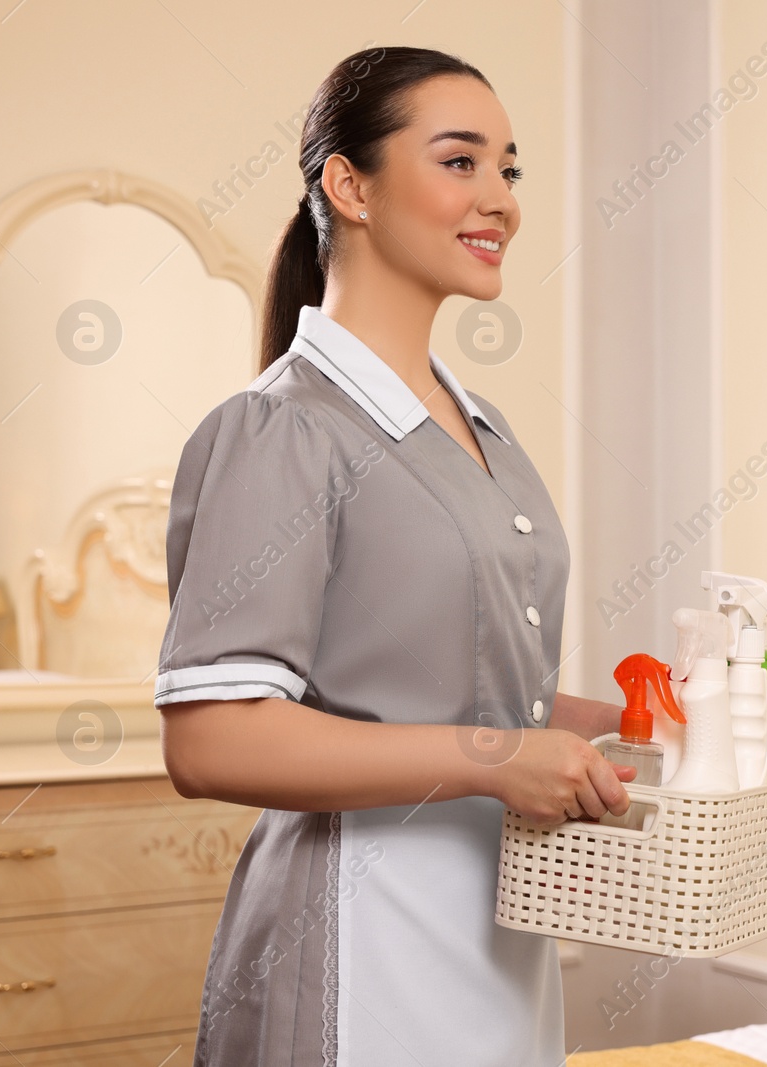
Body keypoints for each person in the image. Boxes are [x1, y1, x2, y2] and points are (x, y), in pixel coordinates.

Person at [154, 44, 637, 1066]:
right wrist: (500, 759)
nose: (499, 198)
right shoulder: (280, 431)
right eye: (460, 161)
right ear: (349, 184)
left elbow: (433, 682)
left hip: (501, 934)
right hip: (358, 942)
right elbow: (212, 741)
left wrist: (609, 720)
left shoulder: (482, 427)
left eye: (509, 169)